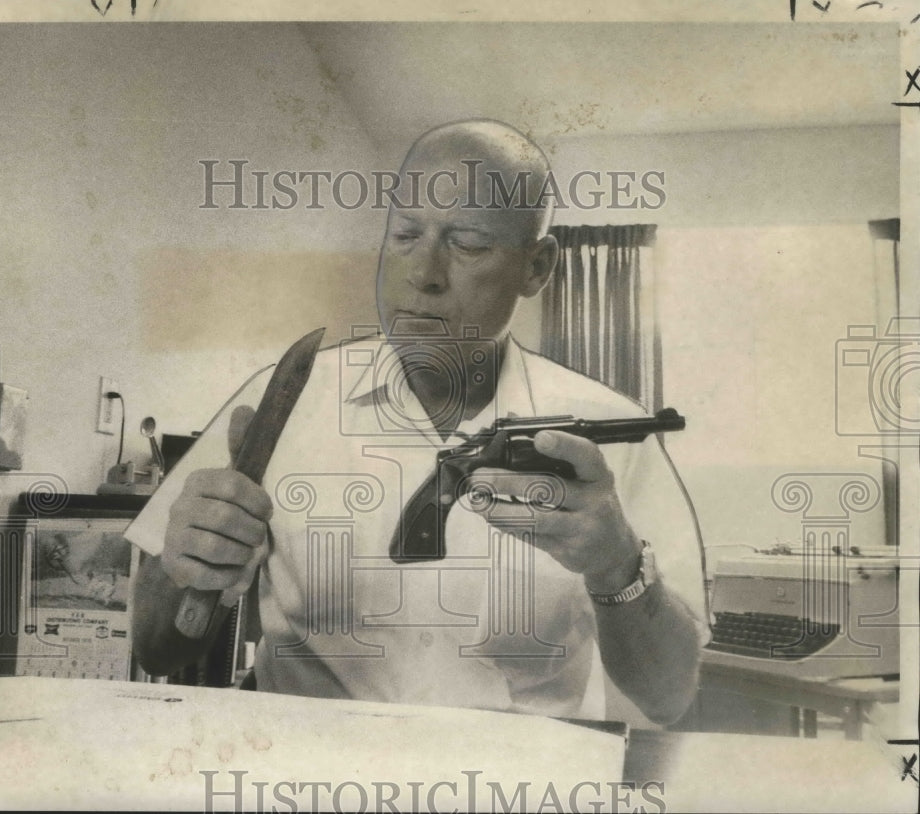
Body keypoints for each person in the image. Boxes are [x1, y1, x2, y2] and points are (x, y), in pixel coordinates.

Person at [128, 119, 707, 725]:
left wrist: (617, 567)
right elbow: (156, 647)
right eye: (405, 234)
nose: (423, 273)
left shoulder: (618, 430)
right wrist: (184, 564)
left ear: (538, 267)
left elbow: (671, 696)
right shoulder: (282, 398)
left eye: (468, 244)